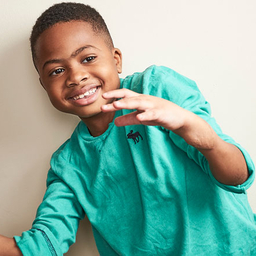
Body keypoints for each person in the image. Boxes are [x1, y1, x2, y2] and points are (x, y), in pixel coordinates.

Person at [0, 2, 256, 256]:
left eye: (88, 58)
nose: (76, 76)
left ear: (116, 60)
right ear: (44, 85)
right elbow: (42, 246)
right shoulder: (69, 165)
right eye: (57, 70)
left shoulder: (157, 89)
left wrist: (199, 134)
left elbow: (238, 177)